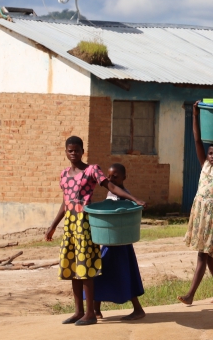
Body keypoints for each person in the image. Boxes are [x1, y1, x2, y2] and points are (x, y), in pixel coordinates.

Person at [45, 136, 146, 326]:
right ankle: (78, 312)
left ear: (83, 151)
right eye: (70, 150)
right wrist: (53, 225)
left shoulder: (92, 170)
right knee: (72, 267)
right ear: (66, 152)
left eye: (77, 150)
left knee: (85, 268)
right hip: (70, 226)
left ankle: (90, 313)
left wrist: (134, 199)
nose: (73, 153)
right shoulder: (64, 174)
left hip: (84, 223)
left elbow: (112, 186)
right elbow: (66, 202)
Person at [177, 101, 213, 305]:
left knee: (203, 255)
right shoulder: (204, 165)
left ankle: (190, 295)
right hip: (200, 212)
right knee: (208, 256)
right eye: (211, 154)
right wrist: (195, 115)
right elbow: (196, 139)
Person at [90, 163, 146, 321]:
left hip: (119, 244)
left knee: (123, 275)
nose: (110, 179)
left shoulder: (123, 196)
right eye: (109, 176)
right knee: (101, 274)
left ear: (124, 178)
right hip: (111, 241)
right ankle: (96, 309)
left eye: (115, 176)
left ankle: (138, 309)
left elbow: (127, 212)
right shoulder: (111, 192)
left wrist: (137, 201)